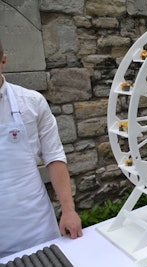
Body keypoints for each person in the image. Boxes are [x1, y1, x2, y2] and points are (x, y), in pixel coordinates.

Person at [0, 39, 82, 258]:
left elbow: (54, 156)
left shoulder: (32, 102)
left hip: (36, 226)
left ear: (3, 61)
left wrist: (68, 210)